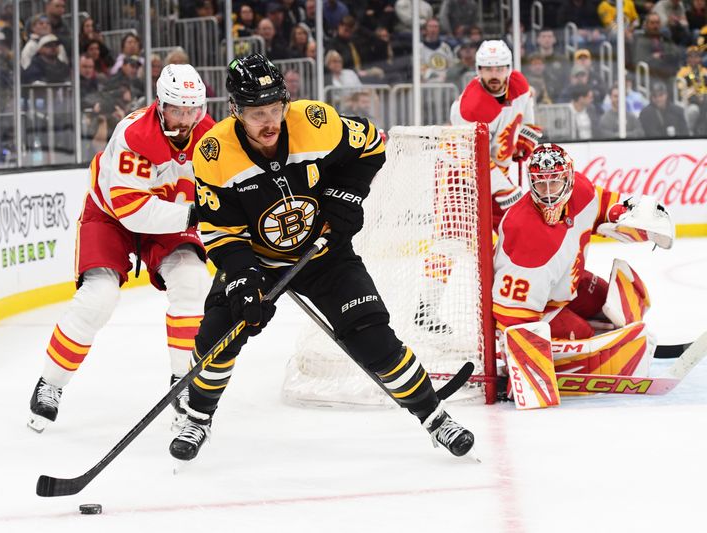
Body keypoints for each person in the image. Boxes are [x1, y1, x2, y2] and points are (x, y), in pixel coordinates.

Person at [169, 53, 475, 463]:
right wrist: (243, 279)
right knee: (217, 337)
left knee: (373, 337)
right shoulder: (212, 153)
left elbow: (370, 144)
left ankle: (435, 417)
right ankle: (197, 416)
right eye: (258, 112)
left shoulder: (314, 121)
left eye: (276, 108)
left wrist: (346, 195)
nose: (270, 121)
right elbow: (221, 231)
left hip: (324, 252)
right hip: (257, 262)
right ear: (235, 111)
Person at [27, 64, 216, 432]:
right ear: (160, 105)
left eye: (192, 110)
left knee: (193, 282)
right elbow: (134, 212)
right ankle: (50, 382)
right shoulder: (134, 134)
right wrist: (196, 214)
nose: (184, 119)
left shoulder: (212, 137)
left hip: (174, 212)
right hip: (112, 213)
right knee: (99, 296)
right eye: (177, 109)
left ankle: (183, 384)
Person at [492, 143, 672, 385]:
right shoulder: (525, 233)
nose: (547, 193)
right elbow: (512, 317)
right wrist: (522, 365)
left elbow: (606, 205)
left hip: (565, 282)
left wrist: (633, 219)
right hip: (538, 308)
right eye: (540, 183)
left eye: (553, 182)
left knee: (610, 298)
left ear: (569, 179)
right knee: (585, 337)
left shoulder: (581, 191)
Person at [450, 40, 541, 230]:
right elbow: (472, 156)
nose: (494, 75)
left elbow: (526, 106)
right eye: (488, 69)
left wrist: (525, 137)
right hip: (462, 179)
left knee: (515, 230)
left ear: (508, 69)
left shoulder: (519, 84)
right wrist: (503, 188)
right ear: (478, 70)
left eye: (499, 69)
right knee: (465, 235)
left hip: (495, 171)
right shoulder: (470, 109)